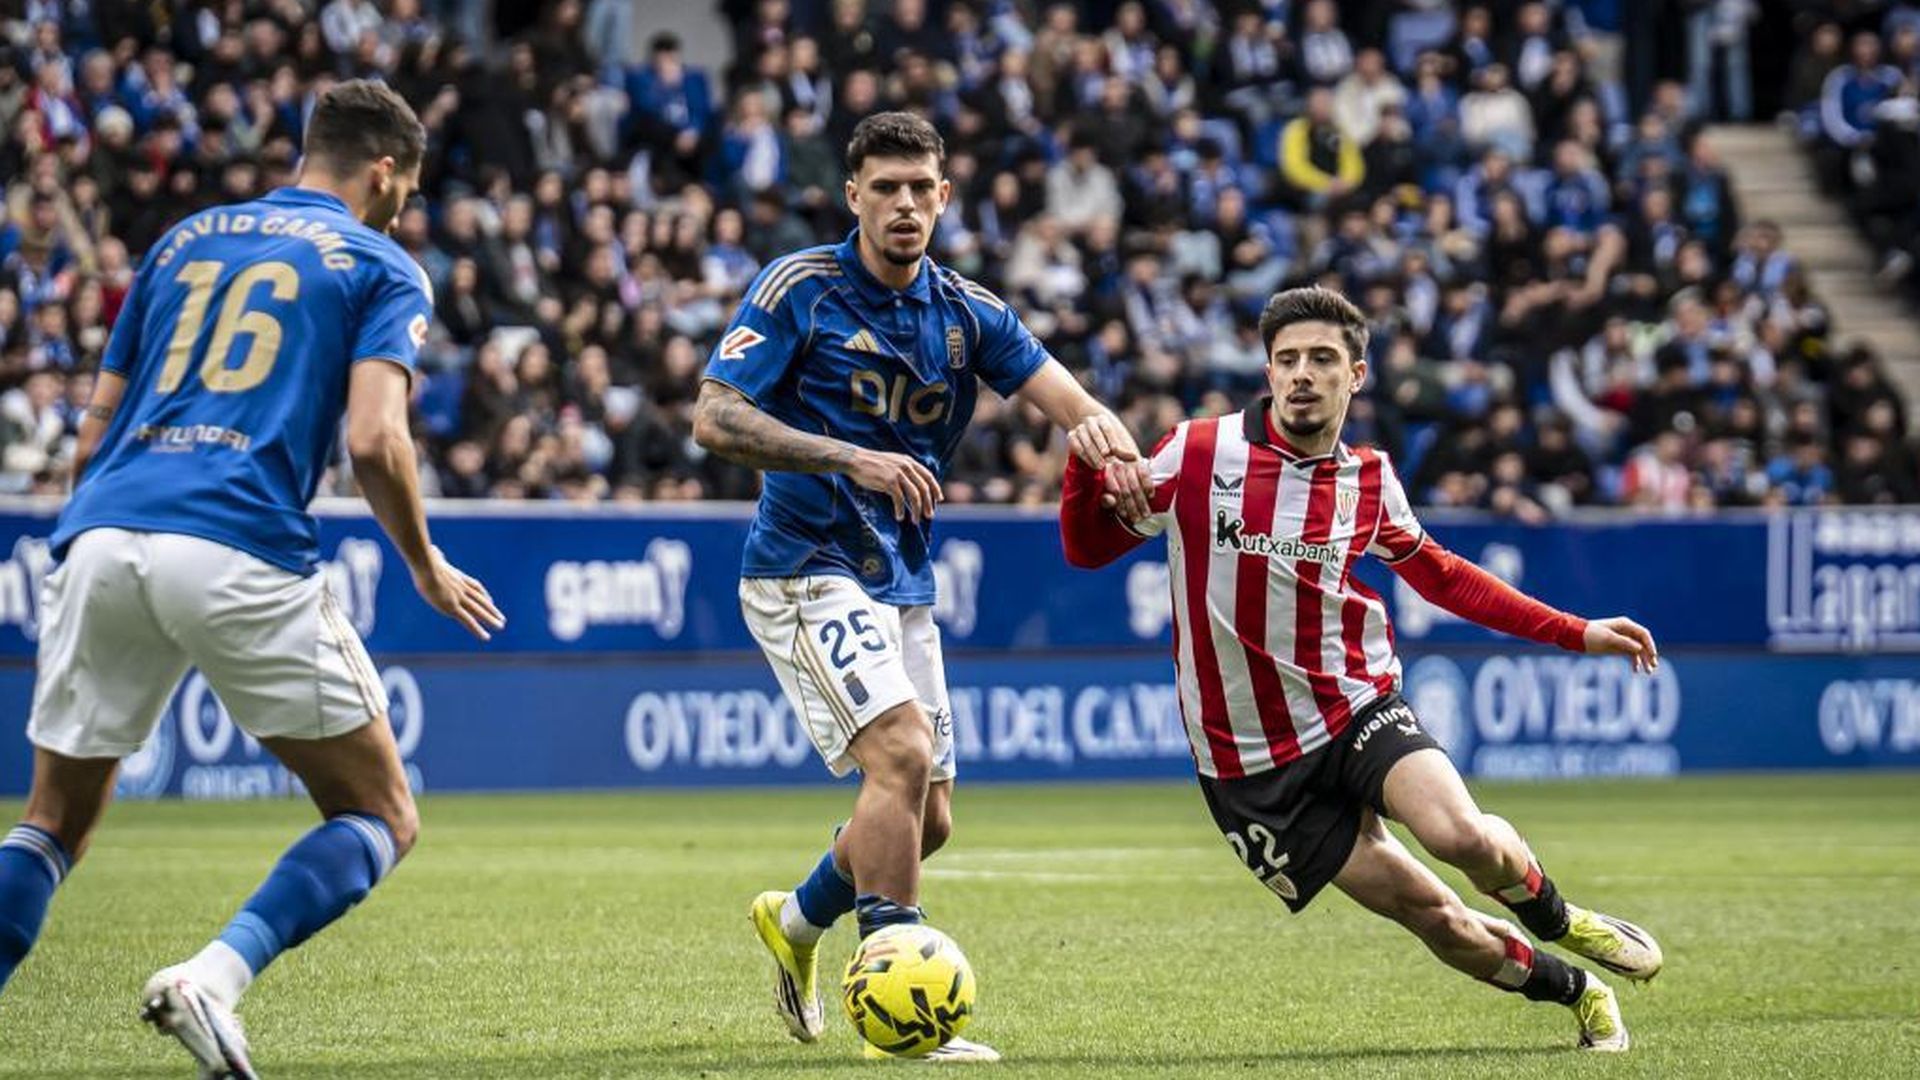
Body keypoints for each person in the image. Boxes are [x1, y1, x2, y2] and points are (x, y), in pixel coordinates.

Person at [0, 80, 505, 1077]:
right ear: (386, 171)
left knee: (51, 823)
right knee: (378, 814)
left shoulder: (182, 242)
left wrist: (83, 531)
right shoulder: (381, 263)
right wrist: (423, 560)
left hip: (103, 528)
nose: (403, 207)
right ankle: (213, 979)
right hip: (235, 538)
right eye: (404, 188)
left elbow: (94, 423)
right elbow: (373, 436)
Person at [1057, 287, 1662, 1052]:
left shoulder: (1369, 479)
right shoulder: (1199, 453)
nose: (1301, 375)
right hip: (1248, 766)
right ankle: (1579, 989)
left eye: (1321, 359)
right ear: (1268, 372)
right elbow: (1086, 548)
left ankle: (1561, 917)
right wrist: (1083, 473)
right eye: (1286, 360)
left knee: (1461, 835)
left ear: (1358, 374)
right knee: (1437, 918)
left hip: (1354, 707)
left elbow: (1445, 577)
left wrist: (1576, 632)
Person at [693, 111, 1147, 1064]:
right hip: (803, 567)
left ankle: (798, 921)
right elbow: (715, 417)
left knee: (926, 816)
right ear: (853, 195)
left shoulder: (968, 313)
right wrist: (848, 457)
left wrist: (1103, 438)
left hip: (899, 577)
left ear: (944, 197)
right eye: (885, 188)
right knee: (897, 757)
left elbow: (1070, 400)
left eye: (921, 189)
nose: (904, 205)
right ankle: (900, 1012)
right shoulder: (800, 290)